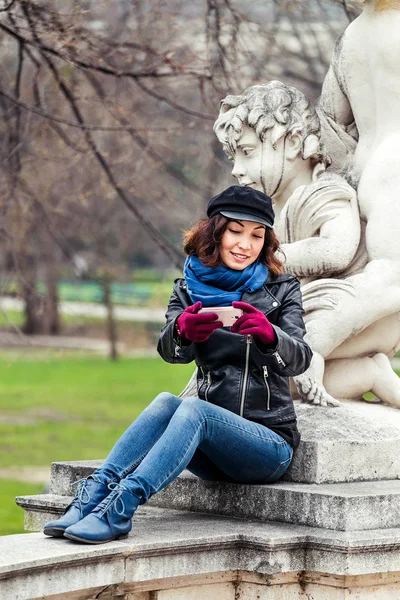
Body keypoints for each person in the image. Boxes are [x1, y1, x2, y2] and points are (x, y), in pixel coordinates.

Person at [43, 185, 312, 545]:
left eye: (257, 235)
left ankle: (119, 510)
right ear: (215, 232)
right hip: (208, 444)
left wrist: (270, 336)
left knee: (193, 409)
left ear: (267, 242)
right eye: (236, 231)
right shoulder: (187, 288)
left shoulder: (282, 290)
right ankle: (93, 495)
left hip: (267, 445)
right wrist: (182, 331)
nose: (245, 244)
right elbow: (172, 352)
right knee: (166, 402)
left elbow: (301, 358)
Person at [214, 81, 400, 408]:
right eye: (233, 157)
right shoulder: (273, 215)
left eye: (246, 152)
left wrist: (262, 259)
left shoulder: (324, 191)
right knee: (267, 381)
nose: (236, 170)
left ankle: (369, 372)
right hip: (312, 321)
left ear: (294, 142)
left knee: (261, 371)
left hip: (350, 318)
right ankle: (370, 374)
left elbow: (337, 249)